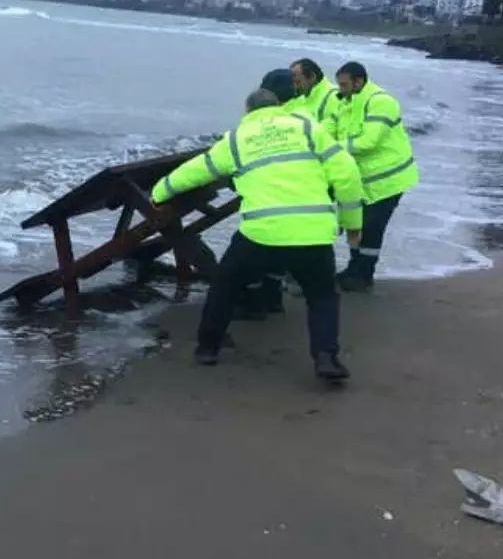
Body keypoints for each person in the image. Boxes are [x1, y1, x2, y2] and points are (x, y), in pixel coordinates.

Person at [150, 69, 364, 381]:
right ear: (278, 105)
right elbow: (346, 174)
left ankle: (208, 349)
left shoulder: (237, 138)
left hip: (261, 233)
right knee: (321, 296)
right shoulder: (307, 127)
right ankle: (327, 358)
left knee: (225, 284)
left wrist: (159, 193)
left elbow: (198, 170)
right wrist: (352, 223)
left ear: (248, 111)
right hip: (313, 232)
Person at [333, 61, 419, 292]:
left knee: (370, 227)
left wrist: (330, 148)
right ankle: (354, 270)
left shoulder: (381, 102)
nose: (339, 89)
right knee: (357, 225)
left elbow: (368, 142)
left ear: (358, 81)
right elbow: (338, 131)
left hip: (388, 180)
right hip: (365, 181)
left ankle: (364, 275)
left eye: (343, 84)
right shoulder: (349, 102)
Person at [290, 58, 343, 136]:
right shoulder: (300, 97)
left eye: (298, 82)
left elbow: (330, 132)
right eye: (293, 83)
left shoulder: (335, 96)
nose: (295, 87)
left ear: (312, 77)